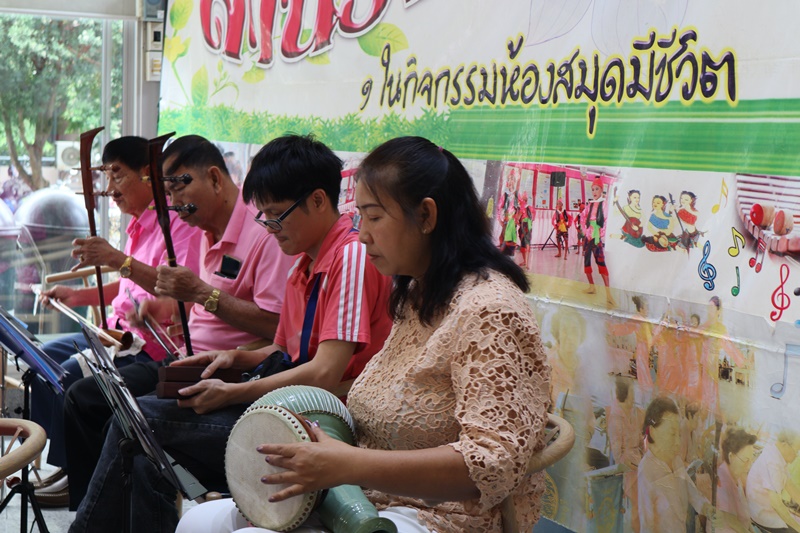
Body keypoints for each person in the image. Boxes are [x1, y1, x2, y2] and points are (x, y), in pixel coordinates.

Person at [178, 136, 552, 533]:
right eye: (360, 217)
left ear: (426, 216)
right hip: (366, 494)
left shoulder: (490, 310)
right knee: (199, 522)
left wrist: (347, 463)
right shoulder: (418, 295)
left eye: (374, 217)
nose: (362, 235)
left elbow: (492, 462)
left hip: (440, 515)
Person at [68, 134, 393, 533]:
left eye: (277, 215)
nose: (270, 228)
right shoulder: (303, 263)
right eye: (264, 216)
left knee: (139, 424)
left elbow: (325, 372)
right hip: (285, 404)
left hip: (320, 423)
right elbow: (283, 350)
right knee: (137, 436)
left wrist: (235, 391)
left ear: (318, 200)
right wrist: (235, 358)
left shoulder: (349, 256)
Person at [63, 135, 295, 517]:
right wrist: (168, 308)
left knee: (124, 424)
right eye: (167, 193)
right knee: (95, 403)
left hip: (227, 370)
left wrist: (200, 293)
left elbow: (277, 328)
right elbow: (200, 302)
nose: (173, 203)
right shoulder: (204, 232)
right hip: (185, 357)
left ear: (215, 178)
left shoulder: (264, 236)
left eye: (178, 188)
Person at [32, 136, 204, 506]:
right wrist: (77, 297)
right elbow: (128, 288)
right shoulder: (140, 225)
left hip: (148, 348)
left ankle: (80, 472)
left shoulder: (180, 225)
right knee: (41, 364)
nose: (110, 188)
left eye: (118, 174)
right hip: (115, 333)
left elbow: (178, 292)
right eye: (107, 176)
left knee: (67, 378)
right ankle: (70, 462)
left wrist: (117, 260)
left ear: (148, 175)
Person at [637, 396, 718, 532]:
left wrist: (707, 508)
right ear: (653, 432)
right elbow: (647, 526)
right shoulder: (646, 470)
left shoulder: (676, 461)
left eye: (679, 435)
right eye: (672, 434)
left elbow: (691, 491)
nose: (678, 442)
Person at [747, 430, 800, 533]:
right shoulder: (772, 462)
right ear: (785, 445)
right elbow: (776, 504)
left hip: (769, 510)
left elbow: (790, 486)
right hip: (762, 515)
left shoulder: (777, 456)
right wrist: (798, 529)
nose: (796, 455)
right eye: (796, 451)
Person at [716, 427, 758, 533]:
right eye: (746, 460)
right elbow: (731, 520)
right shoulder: (722, 479)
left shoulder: (736, 478)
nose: (749, 466)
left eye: (751, 461)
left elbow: (745, 516)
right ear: (731, 456)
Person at [582, 178, 614, 305]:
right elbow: (583, 217)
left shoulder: (604, 204)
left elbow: (606, 221)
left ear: (602, 190)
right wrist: (586, 231)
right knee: (586, 262)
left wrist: (599, 234)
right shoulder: (590, 204)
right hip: (588, 237)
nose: (594, 192)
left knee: (601, 263)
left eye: (597, 189)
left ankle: (608, 293)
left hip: (596, 237)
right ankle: (592, 287)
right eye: (593, 189)